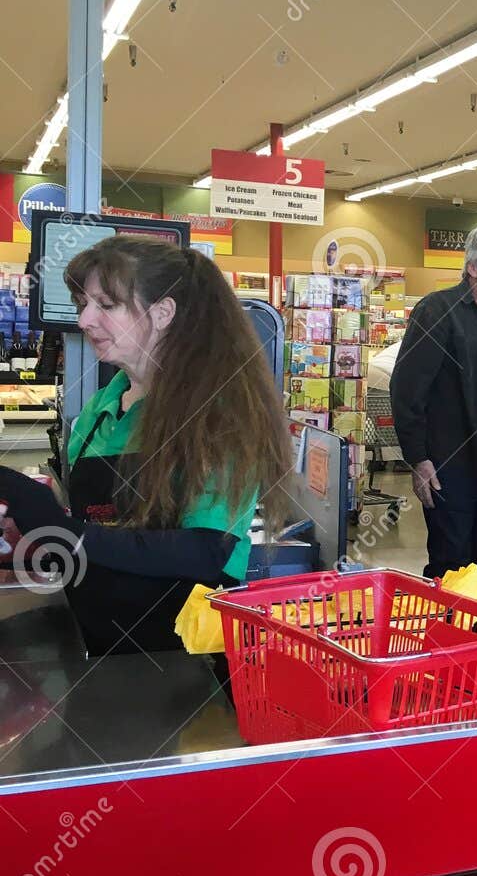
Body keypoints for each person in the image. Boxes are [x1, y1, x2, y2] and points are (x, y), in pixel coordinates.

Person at [0, 237, 291, 657]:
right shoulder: (103, 405)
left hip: (183, 663)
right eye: (83, 304)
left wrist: (67, 532)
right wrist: (31, 540)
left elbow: (206, 551)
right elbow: (103, 532)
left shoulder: (218, 413)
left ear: (162, 313)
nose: (84, 320)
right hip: (99, 646)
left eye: (106, 305)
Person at [391, 223, 477, 595]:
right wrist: (417, 459)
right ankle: (442, 643)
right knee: (450, 565)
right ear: (473, 266)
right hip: (449, 464)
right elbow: (407, 390)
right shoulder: (437, 311)